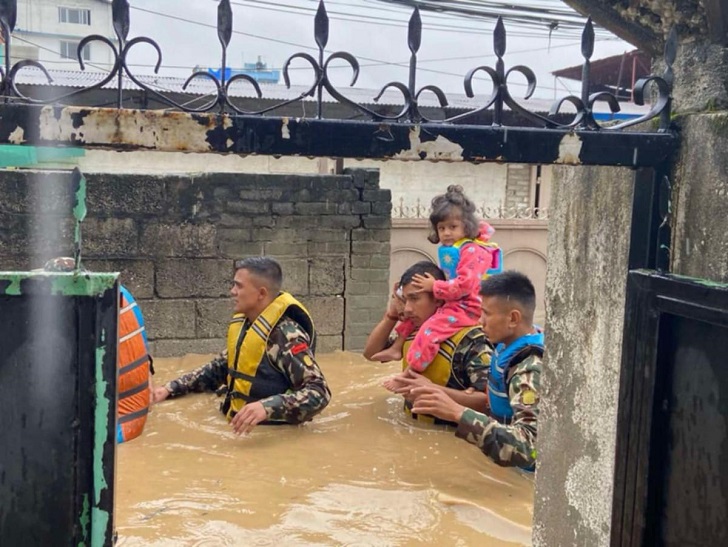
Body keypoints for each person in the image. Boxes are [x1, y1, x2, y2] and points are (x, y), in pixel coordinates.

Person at [151, 256, 331, 435]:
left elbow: (319, 392)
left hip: (268, 438)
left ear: (261, 293)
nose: (232, 291)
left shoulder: (286, 335)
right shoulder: (247, 325)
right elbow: (218, 369)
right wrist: (170, 389)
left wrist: (266, 407)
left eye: (239, 286)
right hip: (235, 430)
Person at [410, 271, 544, 469]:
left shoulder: (529, 368)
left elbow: (531, 448)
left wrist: (459, 414)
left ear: (513, 319)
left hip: (521, 480)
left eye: (487, 314)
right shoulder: (504, 345)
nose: (480, 321)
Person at [371, 185, 499, 370]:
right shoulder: (455, 250)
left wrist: (434, 286)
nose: (446, 233)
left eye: (452, 227)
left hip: (467, 305)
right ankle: (397, 347)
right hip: (453, 299)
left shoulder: (472, 250)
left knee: (431, 330)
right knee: (409, 317)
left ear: (467, 226)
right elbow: (369, 353)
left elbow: (465, 286)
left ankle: (412, 371)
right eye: (442, 228)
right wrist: (393, 312)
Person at [364, 261, 491, 425]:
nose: (408, 309)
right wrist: (391, 316)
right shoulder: (416, 333)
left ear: (438, 299)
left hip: (450, 437)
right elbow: (371, 354)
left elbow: (489, 404)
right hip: (412, 431)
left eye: (415, 299)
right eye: (406, 300)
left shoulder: (472, 340)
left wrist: (433, 390)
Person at [41, 257, 153, 443]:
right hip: (139, 415)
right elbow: (146, 360)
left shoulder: (84, 312)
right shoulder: (121, 293)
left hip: (112, 434)